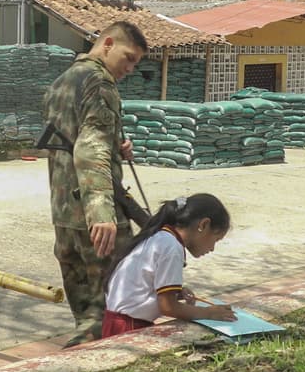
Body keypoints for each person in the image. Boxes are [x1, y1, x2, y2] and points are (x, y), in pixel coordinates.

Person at [42, 20, 149, 347]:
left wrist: (116, 145)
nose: (130, 68)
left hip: (65, 215)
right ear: (107, 44)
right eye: (128, 58)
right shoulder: (100, 83)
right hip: (97, 218)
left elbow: (72, 138)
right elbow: (90, 150)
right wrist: (102, 213)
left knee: (86, 314)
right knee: (114, 314)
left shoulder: (63, 81)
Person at [102, 193, 236, 338]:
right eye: (215, 239)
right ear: (203, 225)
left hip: (116, 322)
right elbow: (168, 307)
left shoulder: (161, 237)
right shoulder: (172, 247)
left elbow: (142, 287)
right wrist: (209, 313)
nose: (212, 248)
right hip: (128, 328)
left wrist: (176, 292)